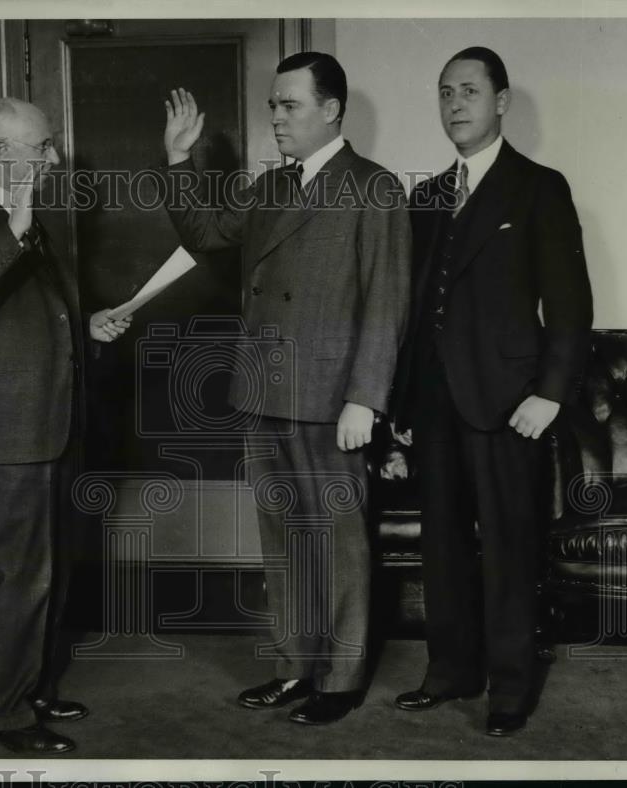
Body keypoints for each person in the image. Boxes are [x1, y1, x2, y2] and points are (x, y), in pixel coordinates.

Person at [162, 52, 411, 725]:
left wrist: (367, 397)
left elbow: (387, 301)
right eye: (273, 105)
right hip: (264, 390)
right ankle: (296, 665)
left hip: (332, 399)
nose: (275, 117)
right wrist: (180, 163)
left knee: (337, 537)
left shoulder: (374, 187)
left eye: (289, 105)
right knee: (284, 540)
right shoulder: (271, 188)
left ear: (331, 109)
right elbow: (208, 234)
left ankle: (343, 677)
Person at [390, 47, 593, 736]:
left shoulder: (539, 187)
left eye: (470, 91)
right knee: (441, 544)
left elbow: (570, 307)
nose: (455, 104)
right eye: (445, 91)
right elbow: (418, 310)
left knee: (509, 548)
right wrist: (404, 407)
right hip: (438, 403)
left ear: (501, 102)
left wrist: (549, 395)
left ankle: (509, 689)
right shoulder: (426, 197)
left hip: (511, 403)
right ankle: (450, 670)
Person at [0, 97, 130, 753]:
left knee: (51, 571)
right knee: (19, 573)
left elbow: (31, 318)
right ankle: (4, 715)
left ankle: (32, 688)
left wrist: (88, 325)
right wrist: (14, 230)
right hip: (5, 433)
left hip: (50, 423)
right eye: (42, 146)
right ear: (3, 152)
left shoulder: (31, 219)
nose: (53, 157)